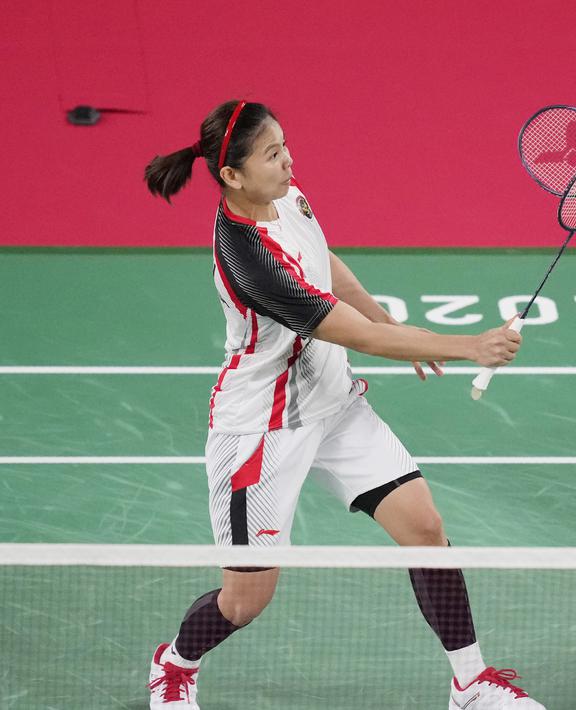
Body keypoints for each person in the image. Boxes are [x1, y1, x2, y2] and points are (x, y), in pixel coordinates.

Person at [142, 99, 543, 709]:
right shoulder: (247, 260)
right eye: (272, 154)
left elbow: (326, 265)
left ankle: (469, 681)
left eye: (285, 145)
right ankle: (175, 662)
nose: (289, 160)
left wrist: (390, 318)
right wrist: (468, 345)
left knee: (426, 531)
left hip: (333, 403)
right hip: (263, 431)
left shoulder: (290, 199)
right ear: (232, 176)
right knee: (246, 600)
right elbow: (346, 330)